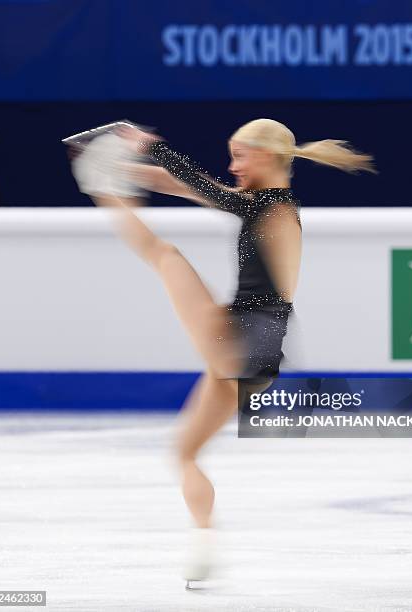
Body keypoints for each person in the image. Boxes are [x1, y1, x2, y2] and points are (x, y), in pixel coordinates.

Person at [72, 118, 375, 585]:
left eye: (240, 156)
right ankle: (204, 541)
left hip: (242, 336)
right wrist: (139, 173)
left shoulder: (275, 207)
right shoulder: (267, 206)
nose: (232, 166)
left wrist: (150, 148)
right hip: (256, 355)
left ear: (268, 157)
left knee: (166, 255)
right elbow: (197, 190)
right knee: (185, 452)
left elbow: (205, 189)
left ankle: (100, 188)